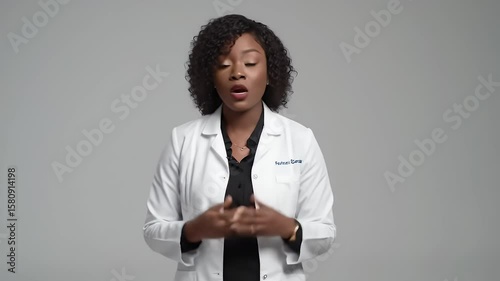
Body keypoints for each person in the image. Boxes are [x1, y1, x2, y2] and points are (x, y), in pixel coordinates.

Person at [142, 14, 336, 281]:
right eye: (223, 64)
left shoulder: (300, 140)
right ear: (210, 76)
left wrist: (286, 227)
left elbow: (324, 231)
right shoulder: (182, 140)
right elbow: (153, 229)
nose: (237, 72)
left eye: (250, 62)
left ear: (270, 73)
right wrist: (194, 230)